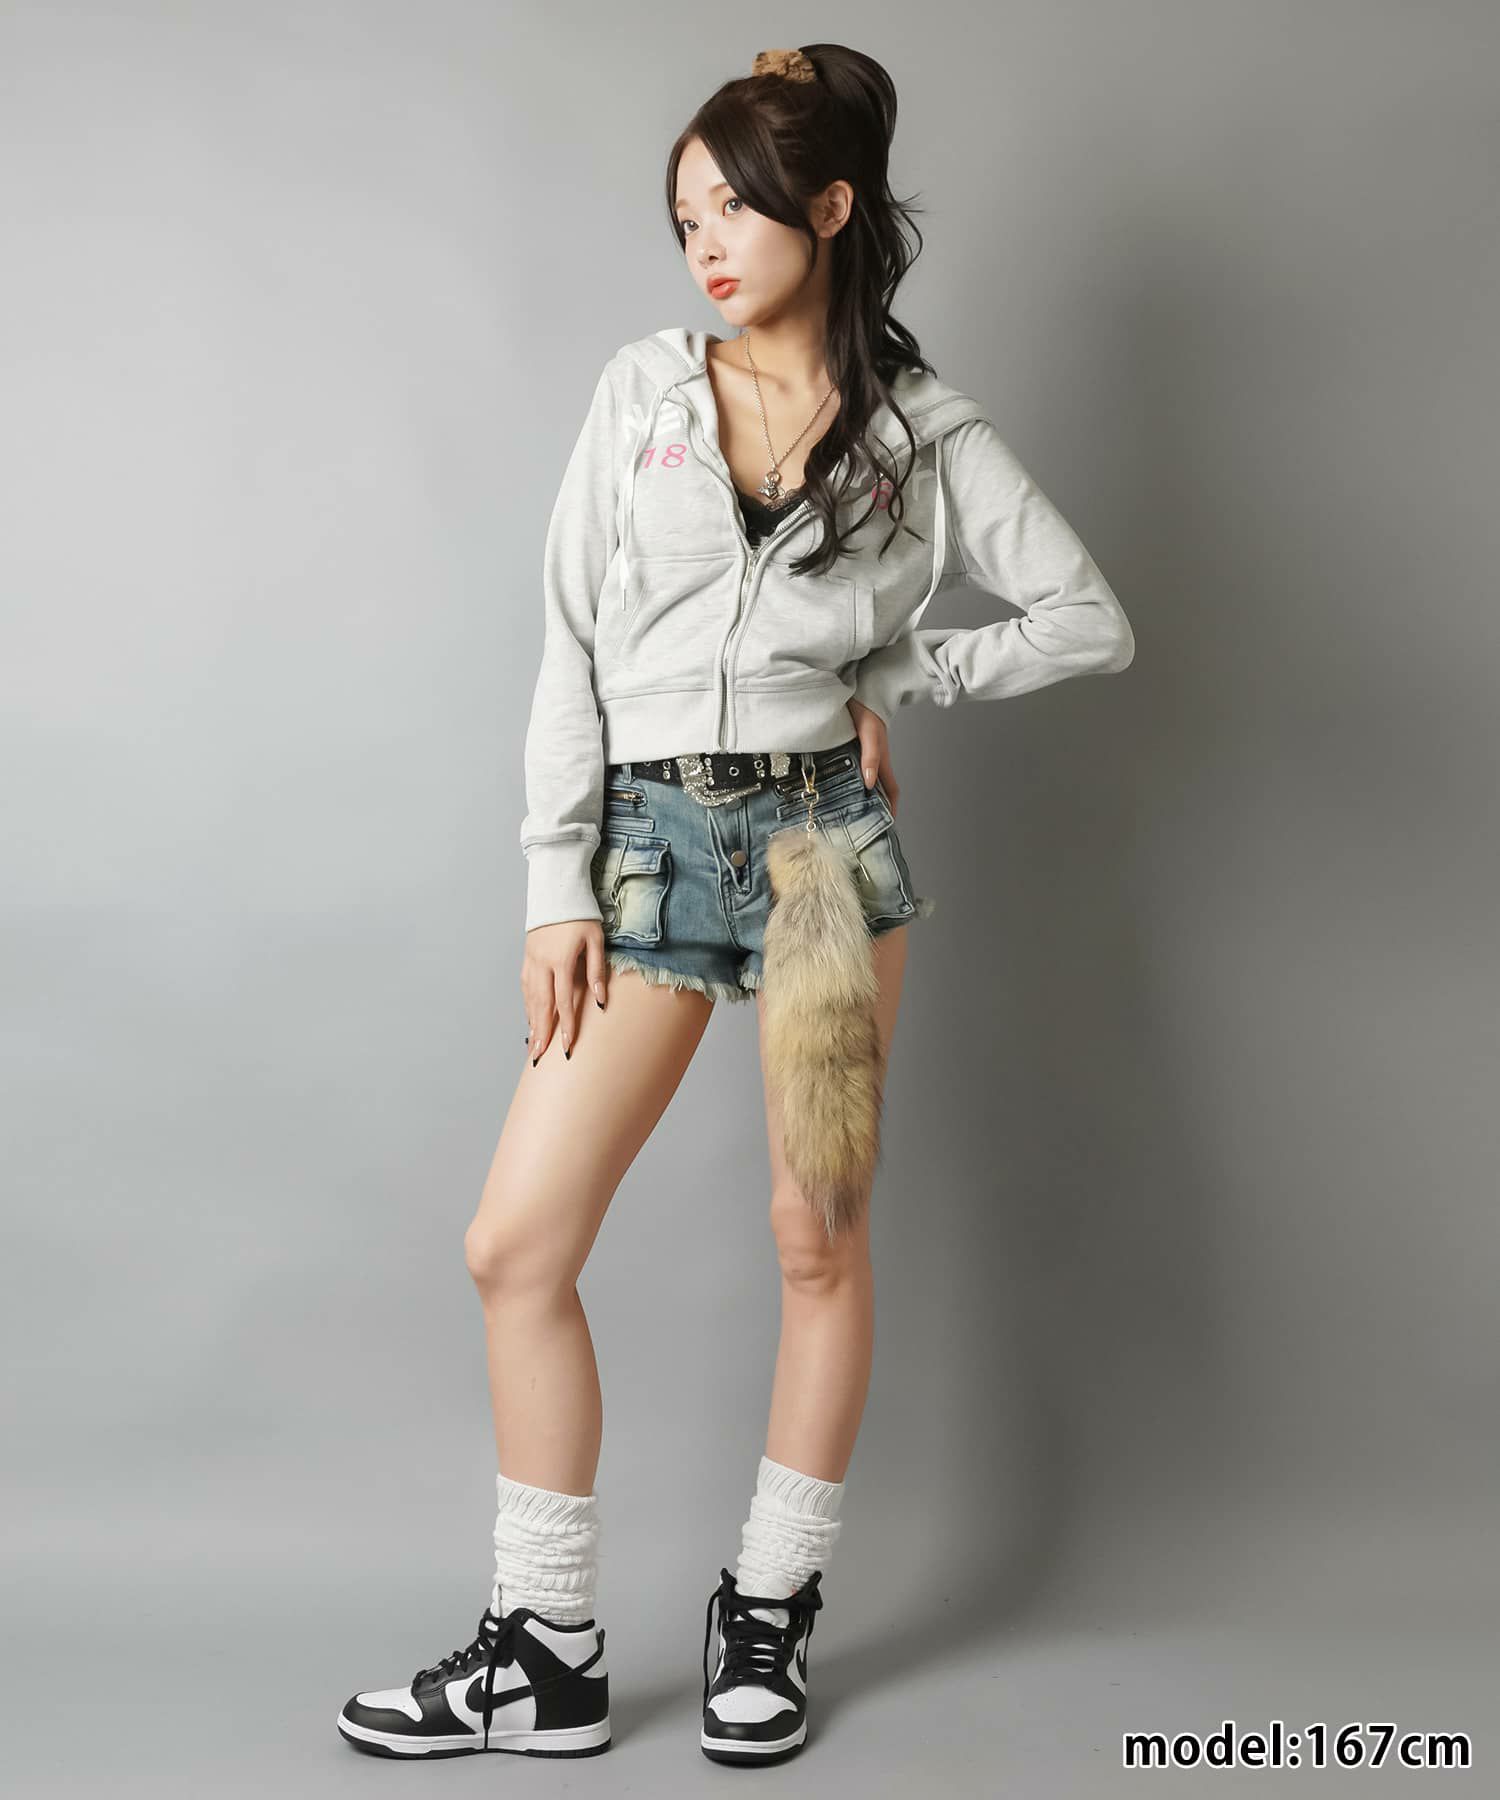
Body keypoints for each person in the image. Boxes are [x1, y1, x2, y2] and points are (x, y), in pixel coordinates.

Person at [337, 42, 1134, 1769]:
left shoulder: (919, 431)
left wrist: (897, 674)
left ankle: (766, 1611)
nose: (704, 241)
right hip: (643, 853)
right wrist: (553, 885)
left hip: (821, 863)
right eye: (685, 214)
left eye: (736, 208)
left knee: (814, 1236)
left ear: (828, 209)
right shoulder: (642, 393)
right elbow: (570, 643)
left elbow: (1085, 616)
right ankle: (545, 1648)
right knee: (516, 1244)